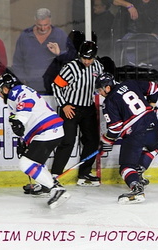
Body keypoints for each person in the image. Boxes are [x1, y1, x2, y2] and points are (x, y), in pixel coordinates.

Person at [0, 73, 70, 209]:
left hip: (47, 130)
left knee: (25, 163)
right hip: (47, 130)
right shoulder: (16, 95)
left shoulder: (18, 91)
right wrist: (24, 141)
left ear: (5, 89)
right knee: (35, 161)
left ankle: (56, 188)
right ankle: (46, 186)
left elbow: (27, 104)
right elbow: (24, 122)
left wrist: (19, 120)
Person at [95, 72, 158, 204]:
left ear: (107, 88)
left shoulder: (109, 102)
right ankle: (138, 173)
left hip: (136, 133)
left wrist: (105, 141)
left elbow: (115, 128)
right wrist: (152, 104)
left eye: (100, 90)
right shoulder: (130, 83)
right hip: (154, 127)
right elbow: (155, 87)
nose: (100, 93)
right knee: (154, 148)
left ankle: (136, 187)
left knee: (126, 167)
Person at [51, 41, 104, 187]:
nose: (87, 61)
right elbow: (56, 86)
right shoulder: (70, 68)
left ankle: (84, 174)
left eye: (90, 58)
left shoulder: (98, 67)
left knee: (92, 141)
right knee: (68, 141)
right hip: (71, 108)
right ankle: (55, 174)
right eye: (84, 58)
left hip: (88, 108)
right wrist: (64, 105)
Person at [12, 8, 75, 93]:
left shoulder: (60, 35)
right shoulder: (25, 36)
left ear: (50, 21)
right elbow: (17, 62)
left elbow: (73, 59)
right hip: (30, 87)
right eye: (39, 25)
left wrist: (60, 53)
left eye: (46, 25)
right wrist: (21, 80)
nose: (42, 28)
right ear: (35, 21)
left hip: (55, 87)